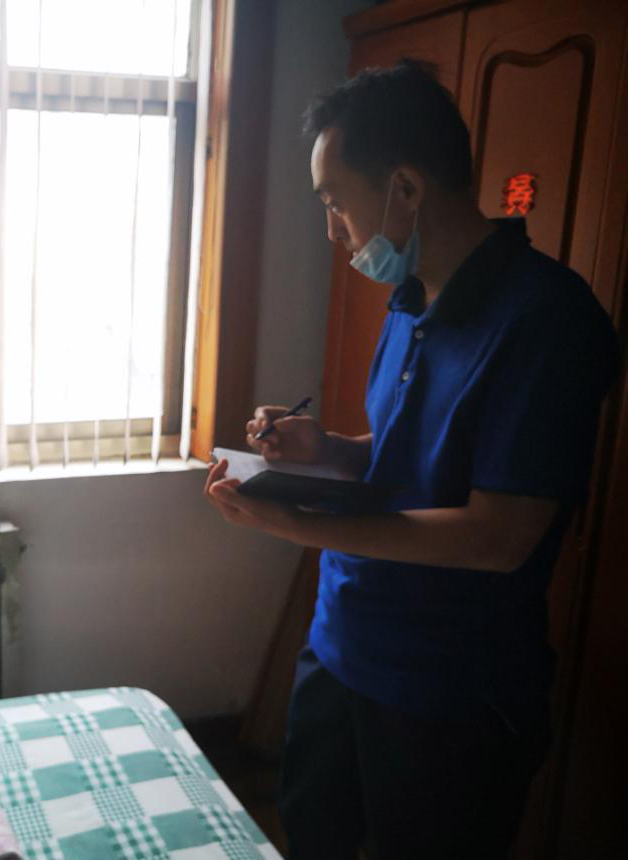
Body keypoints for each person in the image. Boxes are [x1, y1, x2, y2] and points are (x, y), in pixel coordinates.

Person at [203, 60, 620, 859]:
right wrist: (329, 448)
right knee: (315, 837)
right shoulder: (409, 299)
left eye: (335, 203)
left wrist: (291, 523)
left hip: (445, 691)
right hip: (342, 644)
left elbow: (495, 537)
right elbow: (411, 460)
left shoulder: (547, 322)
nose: (333, 231)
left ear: (404, 188)